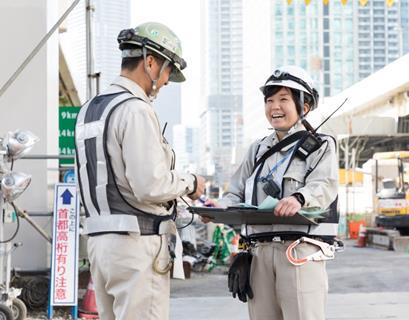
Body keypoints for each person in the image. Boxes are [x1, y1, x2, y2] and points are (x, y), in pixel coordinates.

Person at [74, 22, 205, 320]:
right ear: (150, 62)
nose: (167, 81)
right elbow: (150, 185)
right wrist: (190, 182)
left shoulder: (90, 109)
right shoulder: (135, 109)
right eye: (169, 70)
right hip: (136, 245)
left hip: (99, 244)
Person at [221, 66, 339, 320]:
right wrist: (219, 212)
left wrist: (298, 198)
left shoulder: (320, 146)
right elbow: (234, 192)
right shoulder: (257, 150)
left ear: (304, 105)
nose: (275, 106)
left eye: (284, 99)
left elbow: (324, 184)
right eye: (270, 100)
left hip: (299, 252)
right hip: (259, 253)